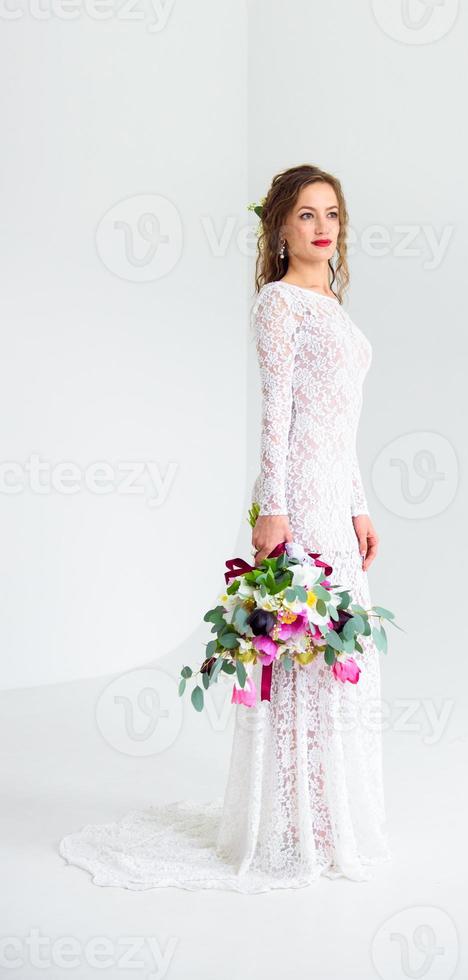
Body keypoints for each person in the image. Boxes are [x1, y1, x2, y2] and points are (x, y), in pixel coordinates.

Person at [58, 164, 391, 893]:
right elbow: (280, 415)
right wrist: (274, 505)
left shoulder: (331, 301)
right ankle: (291, 823)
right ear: (277, 228)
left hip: (335, 495)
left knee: (335, 652)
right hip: (298, 494)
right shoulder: (279, 305)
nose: (321, 226)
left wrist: (360, 502)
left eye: (330, 212)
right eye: (305, 215)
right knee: (301, 651)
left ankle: (326, 815)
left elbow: (343, 426)